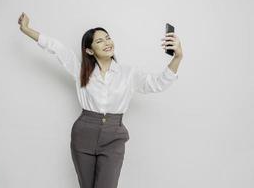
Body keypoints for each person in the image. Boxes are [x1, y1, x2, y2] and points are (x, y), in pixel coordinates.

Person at [18, 12, 183, 188]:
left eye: (108, 38)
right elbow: (55, 47)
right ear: (89, 50)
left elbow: (157, 83)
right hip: (83, 134)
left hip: (114, 137)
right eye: (99, 41)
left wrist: (178, 57)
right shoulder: (80, 69)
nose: (107, 43)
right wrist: (26, 29)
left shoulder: (129, 74)